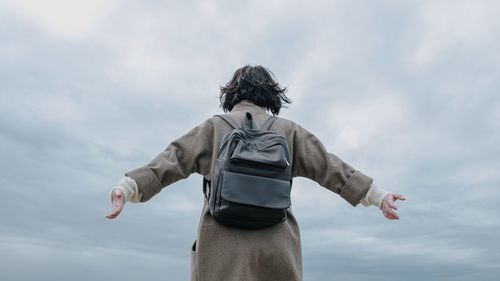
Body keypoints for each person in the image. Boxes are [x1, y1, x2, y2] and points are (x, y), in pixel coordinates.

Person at [106, 65, 406, 281]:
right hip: (275, 247)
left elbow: (172, 160)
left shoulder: (215, 127)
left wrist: (128, 187)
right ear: (271, 96)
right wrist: (377, 197)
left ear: (232, 95)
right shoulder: (288, 131)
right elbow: (331, 168)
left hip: (220, 247)